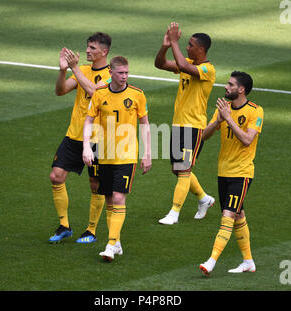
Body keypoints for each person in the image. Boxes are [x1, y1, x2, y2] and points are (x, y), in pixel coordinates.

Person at [82, 56, 151, 261]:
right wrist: (87, 147)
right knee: (110, 200)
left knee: (119, 197)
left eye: (127, 73)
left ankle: (111, 245)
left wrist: (147, 154)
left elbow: (145, 124)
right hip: (104, 154)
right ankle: (117, 241)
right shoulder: (99, 94)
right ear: (110, 72)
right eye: (120, 73)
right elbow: (88, 121)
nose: (124, 76)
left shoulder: (137, 95)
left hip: (126, 154)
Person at [49, 32, 112, 244]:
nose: (87, 51)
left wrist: (74, 68)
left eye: (93, 48)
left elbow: (95, 92)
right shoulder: (82, 70)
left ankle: (91, 230)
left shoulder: (111, 75)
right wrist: (62, 71)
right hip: (74, 135)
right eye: (87, 47)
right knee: (56, 176)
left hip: (98, 138)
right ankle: (64, 225)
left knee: (96, 185)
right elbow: (60, 91)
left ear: (104, 52)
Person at [199, 71, 264, 276]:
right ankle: (248, 261)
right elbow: (203, 136)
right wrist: (218, 120)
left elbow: (247, 140)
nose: (226, 87)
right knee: (238, 215)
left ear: (241, 89)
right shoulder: (224, 109)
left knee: (227, 216)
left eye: (230, 84)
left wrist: (229, 118)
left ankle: (211, 260)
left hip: (242, 173)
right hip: (223, 171)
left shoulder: (255, 111)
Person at [154, 22, 216, 225]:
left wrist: (174, 42)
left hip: (193, 126)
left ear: (201, 49)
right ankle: (204, 199)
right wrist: (165, 45)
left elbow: (185, 66)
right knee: (177, 169)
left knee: (184, 170)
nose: (187, 47)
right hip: (178, 124)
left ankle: (174, 213)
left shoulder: (208, 69)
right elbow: (160, 64)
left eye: (190, 45)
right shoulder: (187, 61)